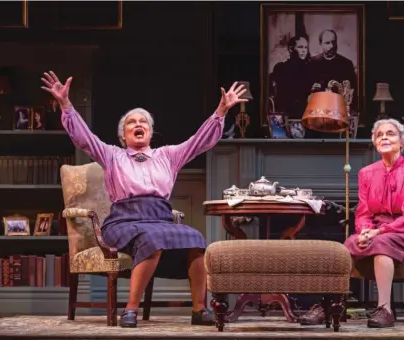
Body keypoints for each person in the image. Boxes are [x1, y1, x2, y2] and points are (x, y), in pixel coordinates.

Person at [40, 71, 248, 328]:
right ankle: (130, 310)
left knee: (196, 239)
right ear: (123, 136)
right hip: (122, 221)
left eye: (144, 123)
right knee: (152, 239)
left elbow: (199, 142)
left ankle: (199, 310)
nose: (138, 125)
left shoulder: (168, 156)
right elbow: (85, 139)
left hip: (159, 218)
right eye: (131, 123)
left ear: (150, 132)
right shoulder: (112, 155)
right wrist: (65, 105)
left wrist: (221, 111)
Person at [300, 118, 404, 328]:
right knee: (348, 246)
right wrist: (365, 231)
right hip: (376, 228)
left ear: (402, 142)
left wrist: (379, 232)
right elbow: (363, 210)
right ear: (374, 142)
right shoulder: (366, 173)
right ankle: (328, 304)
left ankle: (385, 309)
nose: (384, 137)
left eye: (390, 134)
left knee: (382, 244)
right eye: (379, 134)